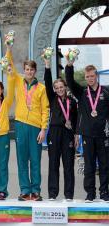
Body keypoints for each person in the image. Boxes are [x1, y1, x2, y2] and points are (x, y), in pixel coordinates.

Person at [5, 43, 49, 201]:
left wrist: (43, 129)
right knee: (22, 159)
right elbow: (8, 63)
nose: (29, 72)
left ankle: (35, 191)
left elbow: (45, 109)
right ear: (24, 70)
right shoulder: (18, 80)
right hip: (21, 124)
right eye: (27, 69)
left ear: (35, 71)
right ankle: (25, 190)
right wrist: (9, 47)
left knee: (36, 160)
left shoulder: (41, 88)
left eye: (31, 69)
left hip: (36, 127)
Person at [65, 56, 109, 203]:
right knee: (89, 165)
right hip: (88, 135)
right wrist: (69, 65)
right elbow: (70, 82)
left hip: (103, 135)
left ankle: (104, 192)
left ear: (97, 76)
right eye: (87, 77)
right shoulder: (82, 92)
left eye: (92, 76)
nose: (90, 78)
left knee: (104, 165)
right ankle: (90, 193)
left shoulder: (106, 91)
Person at [43, 57, 77, 201]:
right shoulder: (52, 98)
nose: (59, 89)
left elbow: (75, 119)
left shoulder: (72, 102)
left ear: (65, 87)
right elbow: (46, 82)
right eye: (56, 88)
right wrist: (47, 66)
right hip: (54, 132)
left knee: (68, 164)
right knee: (53, 164)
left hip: (68, 133)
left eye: (61, 87)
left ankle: (68, 195)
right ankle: (52, 194)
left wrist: (76, 134)